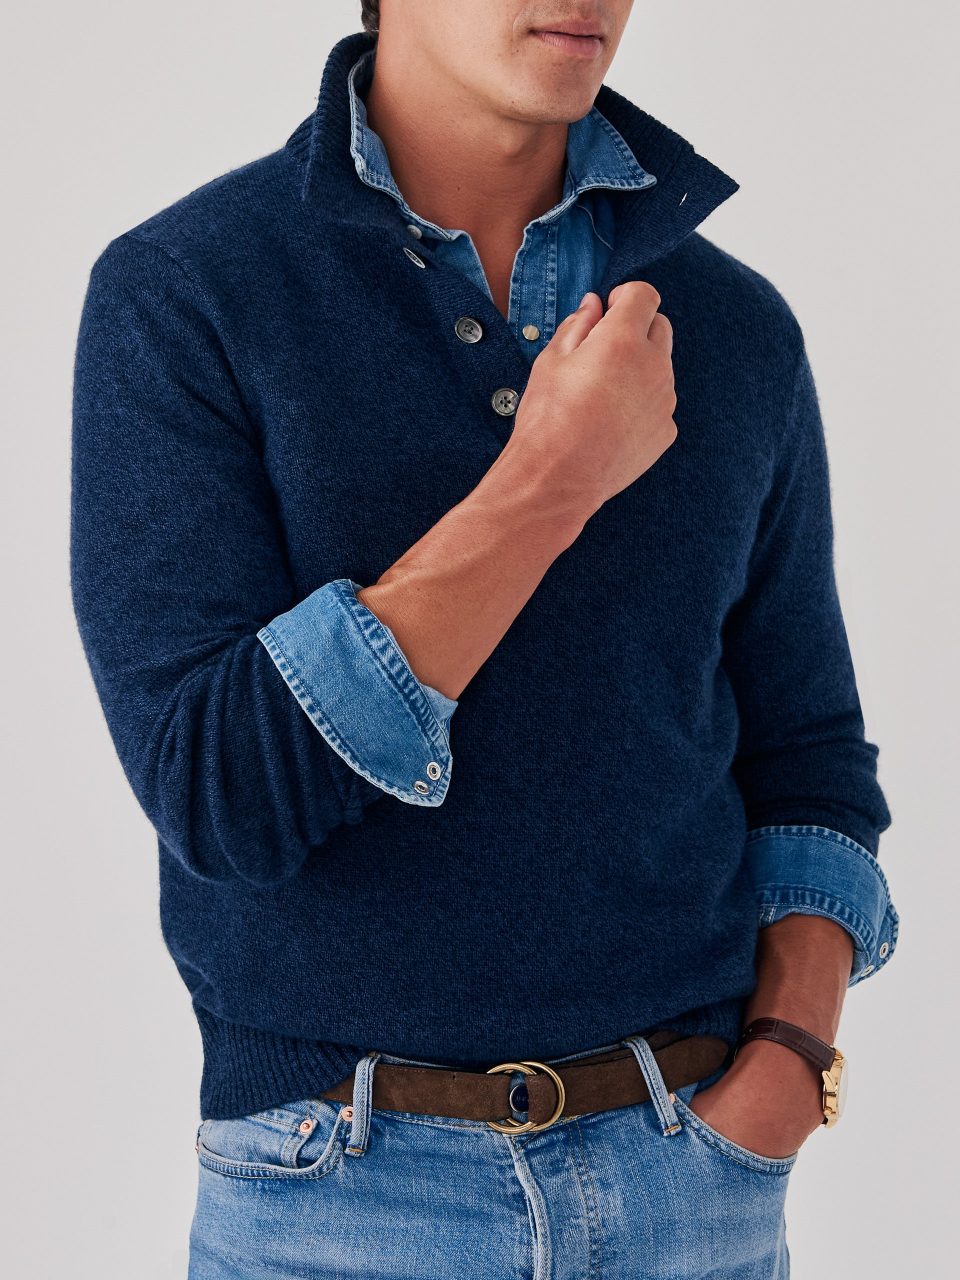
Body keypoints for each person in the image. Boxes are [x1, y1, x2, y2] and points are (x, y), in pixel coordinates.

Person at [70, 3, 900, 1276]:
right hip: (336, 1200)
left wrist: (791, 1058)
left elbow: (809, 756)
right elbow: (218, 792)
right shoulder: (190, 293)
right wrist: (552, 479)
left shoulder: (734, 328)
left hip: (689, 1185)